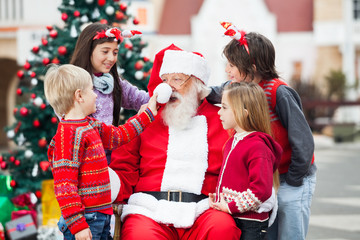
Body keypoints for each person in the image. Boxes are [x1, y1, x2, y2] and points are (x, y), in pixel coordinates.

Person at [109, 44, 242, 239]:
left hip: (204, 209)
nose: (167, 87)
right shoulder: (144, 120)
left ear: (198, 83)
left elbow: (239, 166)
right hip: (150, 210)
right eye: (164, 80)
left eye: (177, 79)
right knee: (140, 235)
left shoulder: (223, 119)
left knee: (223, 228)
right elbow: (123, 169)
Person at [206, 22, 317, 240]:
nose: (227, 70)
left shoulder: (279, 92)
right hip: (271, 177)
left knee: (290, 232)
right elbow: (214, 93)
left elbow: (303, 141)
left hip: (294, 176)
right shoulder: (240, 90)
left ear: (252, 67)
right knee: (270, 231)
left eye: (232, 65)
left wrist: (293, 180)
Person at [44, 64, 158, 240]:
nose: (96, 95)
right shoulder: (67, 135)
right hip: (85, 220)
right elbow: (65, 186)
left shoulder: (91, 125)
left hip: (101, 215)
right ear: (79, 96)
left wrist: (147, 114)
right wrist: (78, 225)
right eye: (91, 90)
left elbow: (120, 135)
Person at [208, 82, 282, 240]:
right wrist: (220, 199)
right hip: (234, 217)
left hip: (250, 224)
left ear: (244, 112)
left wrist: (229, 207)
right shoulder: (233, 141)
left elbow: (260, 191)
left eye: (224, 107)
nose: (219, 112)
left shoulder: (257, 147)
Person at [70, 22, 150, 126]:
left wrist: (166, 92)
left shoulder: (114, 83)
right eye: (105, 51)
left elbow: (141, 99)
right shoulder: (70, 84)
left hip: (111, 142)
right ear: (88, 51)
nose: (112, 58)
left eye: (115, 53)